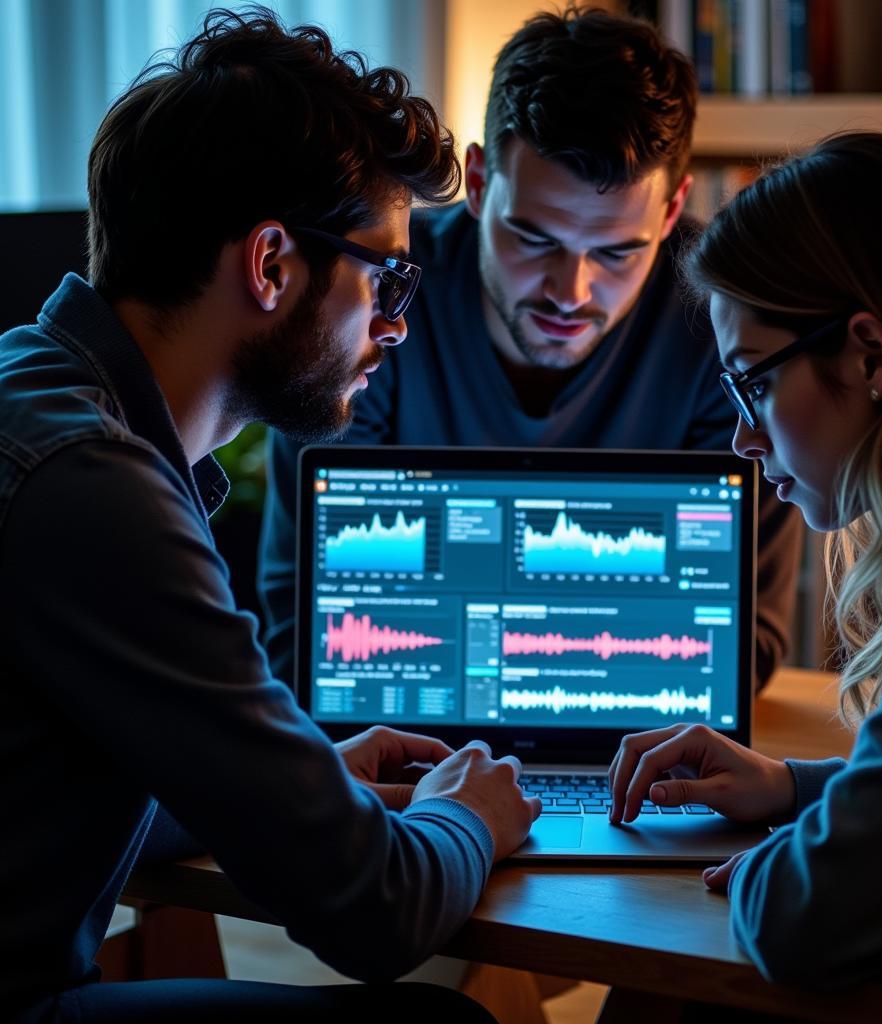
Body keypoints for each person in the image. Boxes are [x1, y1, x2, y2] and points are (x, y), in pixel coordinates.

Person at [0, 9, 541, 1022]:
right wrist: (469, 816)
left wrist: (300, 785)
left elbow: (56, 773)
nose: (395, 325)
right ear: (269, 264)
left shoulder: (35, 394)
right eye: (385, 276)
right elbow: (375, 912)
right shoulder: (96, 486)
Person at [259, 5, 803, 691]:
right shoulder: (369, 299)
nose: (570, 292)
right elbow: (306, 620)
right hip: (395, 742)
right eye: (536, 239)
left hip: (639, 759)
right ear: (480, 185)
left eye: (616, 251)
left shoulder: (724, 326)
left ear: (671, 212)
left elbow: (739, 639)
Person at [608, 132, 882, 1020]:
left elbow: (810, 919)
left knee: (664, 999)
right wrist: (794, 788)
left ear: (870, 355)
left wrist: (781, 861)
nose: (742, 439)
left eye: (750, 384)